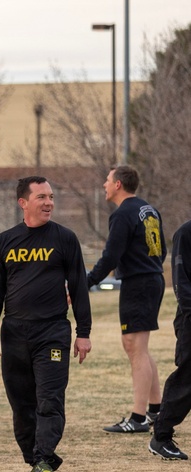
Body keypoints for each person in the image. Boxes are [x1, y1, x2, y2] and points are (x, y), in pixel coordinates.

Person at [0, 176, 91, 472]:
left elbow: (80, 288)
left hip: (53, 331)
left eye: (51, 197)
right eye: (42, 197)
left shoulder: (65, 238)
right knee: (21, 402)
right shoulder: (5, 241)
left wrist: (83, 332)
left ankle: (44, 457)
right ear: (23, 203)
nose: (49, 203)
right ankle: (35, 460)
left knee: (50, 398)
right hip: (14, 332)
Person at [87, 165, 166, 434]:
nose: (104, 185)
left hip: (139, 283)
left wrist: (85, 282)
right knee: (138, 347)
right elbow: (162, 250)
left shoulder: (122, 214)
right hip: (151, 280)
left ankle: (138, 418)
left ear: (119, 184)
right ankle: (156, 410)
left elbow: (110, 256)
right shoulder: (149, 209)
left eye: (107, 180)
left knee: (135, 347)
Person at [149, 220, 191, 460]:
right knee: (187, 379)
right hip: (190, 320)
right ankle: (161, 436)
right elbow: (181, 283)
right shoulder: (185, 234)